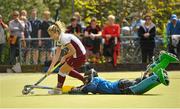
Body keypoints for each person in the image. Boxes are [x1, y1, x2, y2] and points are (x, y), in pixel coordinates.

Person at [69, 51, 179, 94]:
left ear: (90, 77)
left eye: (87, 78)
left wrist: (74, 89)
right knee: (144, 78)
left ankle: (159, 71)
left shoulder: (95, 81)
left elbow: (89, 88)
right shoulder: (95, 82)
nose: (86, 80)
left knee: (144, 82)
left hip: (122, 86)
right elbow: (88, 88)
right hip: (123, 84)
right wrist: (81, 87)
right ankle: (164, 61)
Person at [46, 21, 86, 94]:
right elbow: (57, 55)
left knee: (61, 71)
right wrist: (50, 68)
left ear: (56, 33)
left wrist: (64, 57)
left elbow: (73, 51)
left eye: (51, 35)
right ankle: (84, 79)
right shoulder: (59, 39)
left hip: (79, 56)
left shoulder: (63, 38)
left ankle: (58, 90)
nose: (51, 37)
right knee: (66, 70)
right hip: (77, 55)